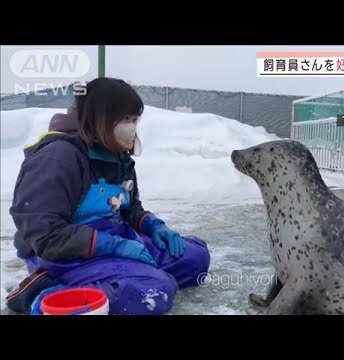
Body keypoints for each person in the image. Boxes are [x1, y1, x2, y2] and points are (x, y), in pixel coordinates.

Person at [8, 78, 210, 315]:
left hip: (115, 239)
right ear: (102, 117)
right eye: (127, 120)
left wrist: (154, 226)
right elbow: (43, 235)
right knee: (154, 290)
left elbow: (129, 206)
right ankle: (43, 294)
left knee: (196, 258)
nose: (133, 128)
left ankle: (124, 273)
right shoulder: (57, 158)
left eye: (135, 120)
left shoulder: (115, 153)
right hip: (66, 256)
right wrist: (114, 245)